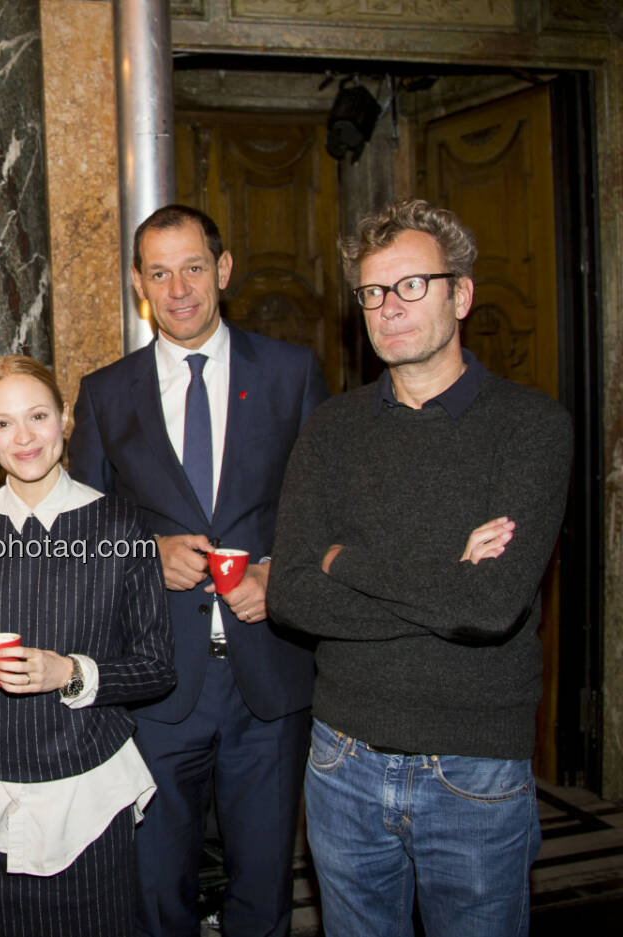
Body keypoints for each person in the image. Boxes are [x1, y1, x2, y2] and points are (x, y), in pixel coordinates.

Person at [268, 199, 572, 937]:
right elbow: (292, 594)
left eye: (411, 286)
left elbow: (492, 606)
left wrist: (350, 561)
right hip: (342, 761)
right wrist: (448, 572)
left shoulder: (531, 427)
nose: (388, 308)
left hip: (473, 770)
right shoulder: (333, 427)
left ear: (460, 294)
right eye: (373, 292)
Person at [68, 204, 329, 937]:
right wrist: (143, 556)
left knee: (264, 890)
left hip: (269, 682)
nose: (178, 287)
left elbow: (329, 509)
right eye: (159, 272)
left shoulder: (290, 372)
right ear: (137, 283)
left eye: (192, 267)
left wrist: (282, 574)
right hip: (157, 685)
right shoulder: (106, 392)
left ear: (224, 268)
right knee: (156, 892)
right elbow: (84, 532)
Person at [0, 355, 176, 936]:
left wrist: (69, 672)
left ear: (65, 419)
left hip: (87, 792)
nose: (22, 438)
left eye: (37, 416)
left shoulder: (122, 527)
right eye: (2, 424)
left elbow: (156, 668)